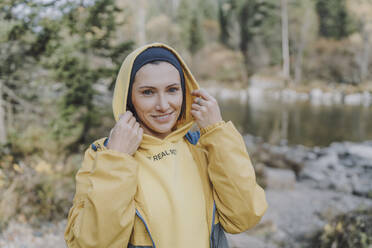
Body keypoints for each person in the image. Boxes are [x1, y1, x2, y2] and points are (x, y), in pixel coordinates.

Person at [64, 43, 268, 248]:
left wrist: (217, 132)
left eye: (172, 90)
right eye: (148, 92)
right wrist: (117, 159)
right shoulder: (104, 155)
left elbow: (245, 217)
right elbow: (92, 244)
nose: (163, 105)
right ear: (129, 98)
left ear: (185, 92)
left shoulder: (204, 145)